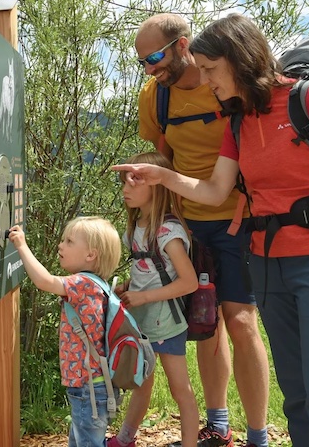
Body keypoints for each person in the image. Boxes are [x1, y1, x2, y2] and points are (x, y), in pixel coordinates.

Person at [114, 13, 309, 447]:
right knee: (298, 395)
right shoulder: (238, 121)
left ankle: (260, 435)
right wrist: (161, 179)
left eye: (213, 69)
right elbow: (214, 188)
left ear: (239, 59)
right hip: (268, 259)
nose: (208, 79)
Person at [133, 13, 271, 447]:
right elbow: (162, 159)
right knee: (207, 325)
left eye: (154, 57)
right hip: (186, 226)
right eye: (142, 62)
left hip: (237, 220)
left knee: (242, 321)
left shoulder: (224, 85)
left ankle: (258, 435)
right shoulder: (154, 98)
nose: (149, 68)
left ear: (182, 44)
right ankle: (218, 425)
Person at [108, 151, 200, 447]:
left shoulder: (167, 232)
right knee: (140, 383)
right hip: (143, 321)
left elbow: (189, 282)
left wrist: (144, 296)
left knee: (180, 390)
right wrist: (127, 289)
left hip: (167, 324)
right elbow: (147, 272)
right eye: (124, 183)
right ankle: (125, 439)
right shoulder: (137, 228)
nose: (125, 189)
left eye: (134, 183)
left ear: (156, 186)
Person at [6, 216, 123, 447]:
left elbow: (45, 281)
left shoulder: (83, 284)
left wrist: (21, 245)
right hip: (91, 386)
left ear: (91, 255)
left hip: (88, 389)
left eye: (69, 241)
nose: (60, 245)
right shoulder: (96, 284)